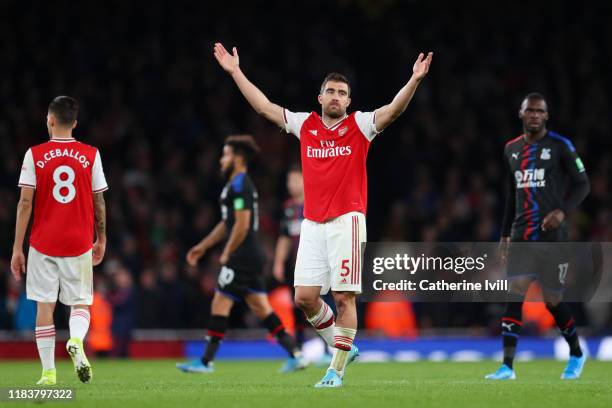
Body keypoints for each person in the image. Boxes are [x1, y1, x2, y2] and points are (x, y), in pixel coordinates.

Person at [214, 42, 432, 387]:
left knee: (344, 296)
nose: (335, 96)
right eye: (330, 91)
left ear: (348, 101)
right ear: (320, 98)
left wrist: (415, 80)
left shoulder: (360, 125)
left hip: (348, 221)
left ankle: (336, 370)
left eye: (342, 93)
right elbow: (264, 108)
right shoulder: (306, 125)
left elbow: (392, 110)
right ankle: (341, 345)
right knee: (304, 297)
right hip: (312, 224)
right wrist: (235, 72)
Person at [176, 135, 306, 374]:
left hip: (243, 255)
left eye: (225, 154)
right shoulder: (235, 184)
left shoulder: (240, 185)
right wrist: (203, 246)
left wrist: (227, 251)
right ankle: (295, 353)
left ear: (237, 158)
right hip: (251, 255)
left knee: (220, 301)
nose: (221, 159)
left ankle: (206, 361)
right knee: (261, 307)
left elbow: (242, 225)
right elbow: (228, 223)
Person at [486, 93, 590, 380]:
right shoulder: (511, 150)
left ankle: (577, 354)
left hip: (552, 238)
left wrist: (562, 211)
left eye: (540, 111)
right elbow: (512, 194)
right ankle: (507, 366)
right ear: (521, 113)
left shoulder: (560, 146)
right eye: (529, 110)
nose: (534, 115)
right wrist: (505, 233)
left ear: (546, 116)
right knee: (514, 293)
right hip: (521, 235)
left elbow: (583, 184)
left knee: (552, 300)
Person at [11, 96, 108, 385]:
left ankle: (49, 374)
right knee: (80, 304)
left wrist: (18, 248)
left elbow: (24, 203)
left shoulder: (34, 154)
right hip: (79, 241)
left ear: (50, 120)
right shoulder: (91, 154)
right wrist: (101, 237)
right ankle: (76, 340)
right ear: (75, 123)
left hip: (43, 242)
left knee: (45, 307)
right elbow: (99, 201)